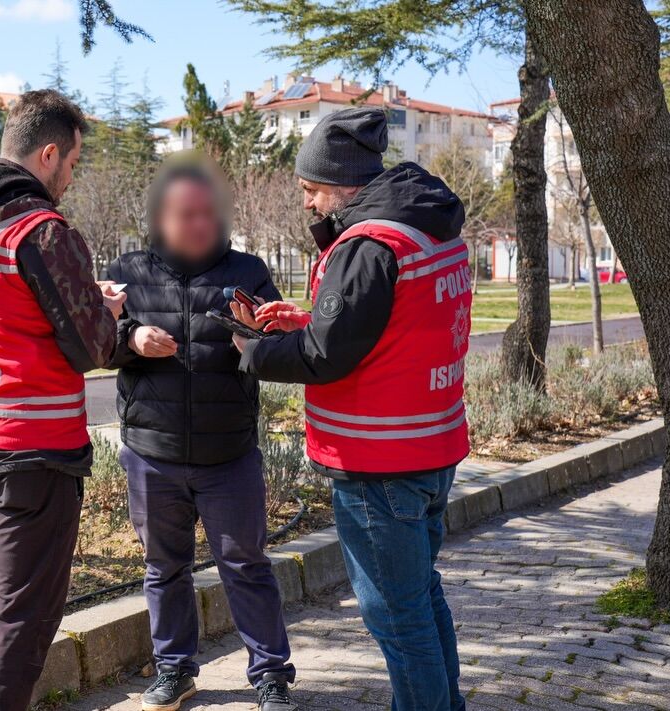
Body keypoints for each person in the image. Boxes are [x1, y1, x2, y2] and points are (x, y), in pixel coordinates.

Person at [231, 107, 471, 711]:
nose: (309, 203)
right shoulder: (426, 226)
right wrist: (309, 318)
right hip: (431, 448)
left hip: (378, 463)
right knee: (419, 596)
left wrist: (255, 351)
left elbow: (325, 358)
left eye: (311, 189)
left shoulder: (367, 245)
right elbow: (391, 328)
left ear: (343, 184)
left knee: (396, 616)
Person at [0, 89, 126, 711]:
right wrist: (106, 311)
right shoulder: (41, 231)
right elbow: (92, 346)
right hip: (34, 450)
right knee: (26, 614)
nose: (70, 176)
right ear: (47, 153)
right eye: (71, 163)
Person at [106, 156, 298, 711]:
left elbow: (276, 346)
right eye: (185, 215)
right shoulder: (129, 271)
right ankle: (174, 669)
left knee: (247, 565)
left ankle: (270, 676)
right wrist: (131, 337)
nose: (198, 225)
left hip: (229, 452)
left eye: (206, 214)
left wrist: (256, 344)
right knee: (164, 568)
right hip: (152, 452)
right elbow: (97, 339)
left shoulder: (249, 270)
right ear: (160, 218)